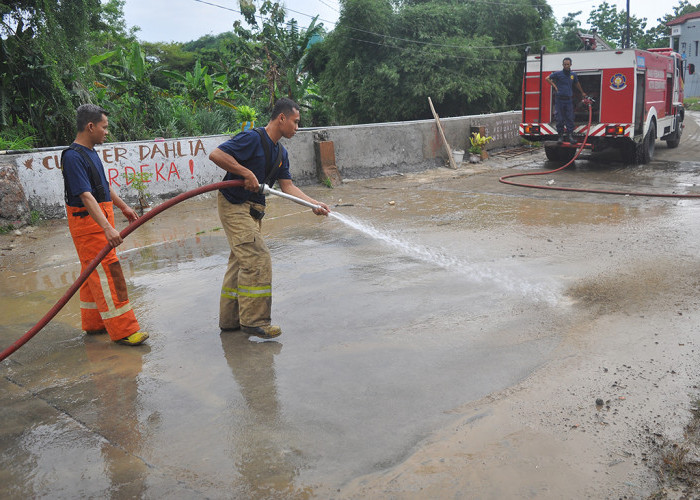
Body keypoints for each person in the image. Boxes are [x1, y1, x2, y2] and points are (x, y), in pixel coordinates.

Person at [210, 98, 330, 339]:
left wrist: (313, 204)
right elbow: (216, 154)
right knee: (257, 256)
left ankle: (229, 320)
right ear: (282, 118)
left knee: (240, 259)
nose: (297, 127)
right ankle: (255, 321)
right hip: (234, 204)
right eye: (295, 122)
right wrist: (245, 172)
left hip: (254, 210)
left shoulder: (280, 152)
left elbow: (287, 186)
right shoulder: (252, 138)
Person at [61, 104, 149, 346]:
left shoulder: (90, 152)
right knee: (110, 274)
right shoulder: (73, 157)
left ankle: (95, 323)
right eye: (104, 127)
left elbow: (102, 186)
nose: (106, 132)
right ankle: (124, 331)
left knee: (92, 273)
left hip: (97, 222)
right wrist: (107, 228)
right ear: (91, 127)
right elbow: (86, 196)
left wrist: (123, 206)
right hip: (89, 226)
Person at [546, 57, 587, 144]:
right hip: (559, 100)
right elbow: (547, 78)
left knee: (570, 118)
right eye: (564, 64)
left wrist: (582, 92)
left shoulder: (573, 75)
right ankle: (560, 136)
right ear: (562, 65)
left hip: (568, 100)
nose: (566, 66)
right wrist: (555, 86)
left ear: (570, 65)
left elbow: (577, 83)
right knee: (559, 118)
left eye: (568, 64)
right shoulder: (558, 74)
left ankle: (570, 136)